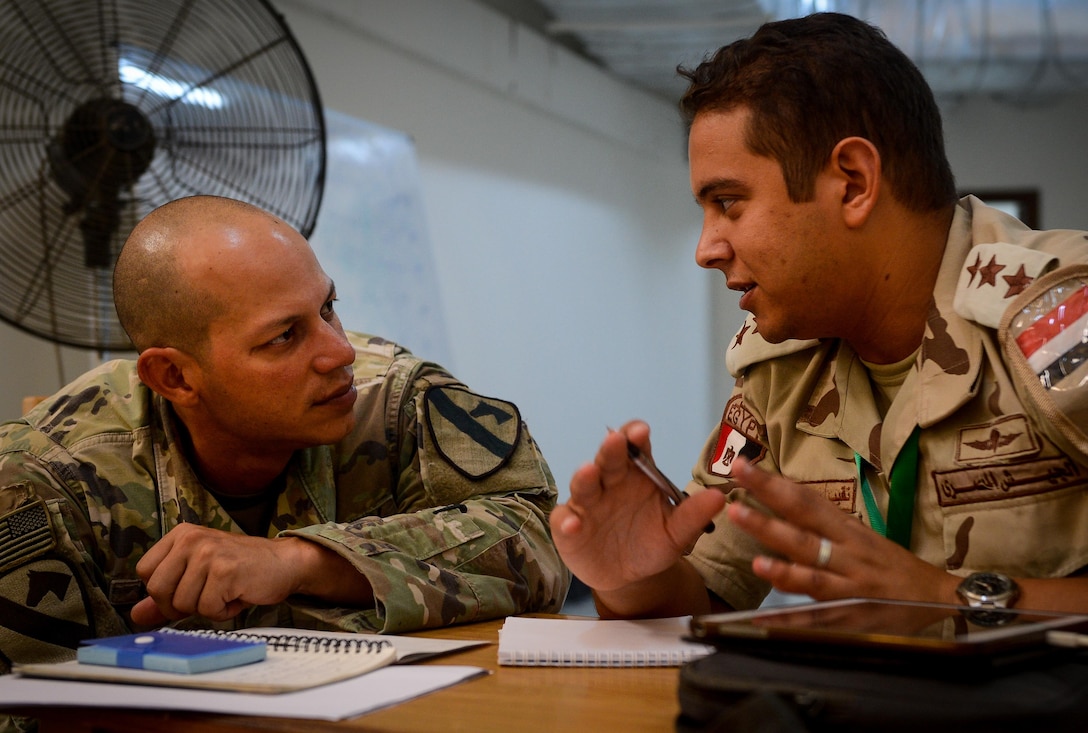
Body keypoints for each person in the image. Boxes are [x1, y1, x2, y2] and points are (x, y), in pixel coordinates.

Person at [552, 12, 1088, 620]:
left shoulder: (1063, 318)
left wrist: (944, 599)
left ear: (854, 183)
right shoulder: (780, 370)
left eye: (728, 202)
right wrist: (629, 577)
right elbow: (703, 592)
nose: (705, 249)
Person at [0, 195, 570, 676]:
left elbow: (538, 539)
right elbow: (28, 701)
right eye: (284, 336)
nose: (340, 352)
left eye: (329, 308)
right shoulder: (44, 476)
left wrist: (301, 561)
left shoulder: (395, 400)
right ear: (174, 375)